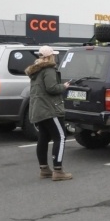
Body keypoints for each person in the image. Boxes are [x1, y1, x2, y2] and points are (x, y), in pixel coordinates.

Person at [25, 45, 72, 181]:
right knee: (61, 137)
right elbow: (51, 88)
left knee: (44, 138)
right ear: (51, 56)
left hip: (38, 109)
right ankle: (58, 171)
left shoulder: (35, 70)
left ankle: (44, 169)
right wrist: (64, 86)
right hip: (50, 109)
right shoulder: (49, 69)